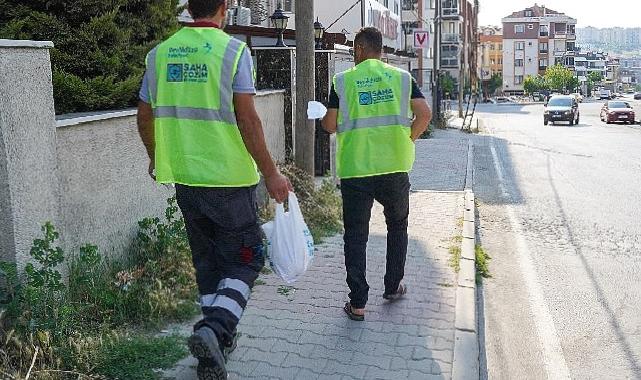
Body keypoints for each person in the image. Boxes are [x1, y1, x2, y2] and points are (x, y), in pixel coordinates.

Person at [136, 1, 291, 378]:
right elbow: (248, 118)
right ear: (224, 8)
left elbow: (144, 115)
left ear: (189, 8)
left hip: (186, 178)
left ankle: (216, 347)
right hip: (229, 179)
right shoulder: (234, 51)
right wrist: (272, 173)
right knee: (246, 259)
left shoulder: (159, 55)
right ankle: (214, 328)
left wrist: (156, 157)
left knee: (207, 264)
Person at [321, 27, 432, 321]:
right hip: (394, 168)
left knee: (356, 236)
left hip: (357, 170)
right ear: (381, 50)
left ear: (358, 49)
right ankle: (393, 286)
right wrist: (407, 139)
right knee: (397, 227)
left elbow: (330, 125)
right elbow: (424, 114)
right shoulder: (402, 78)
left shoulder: (343, 81)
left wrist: (324, 114)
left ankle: (357, 303)